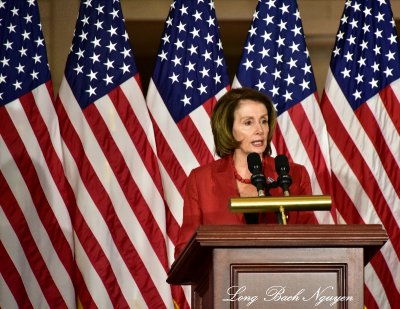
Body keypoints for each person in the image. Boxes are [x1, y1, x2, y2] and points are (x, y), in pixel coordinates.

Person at [175, 88, 317, 257]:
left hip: (283, 280)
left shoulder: (294, 174)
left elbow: (312, 240)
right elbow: (185, 250)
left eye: (263, 121)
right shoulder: (201, 180)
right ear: (228, 128)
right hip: (224, 280)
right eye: (248, 122)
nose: (260, 130)